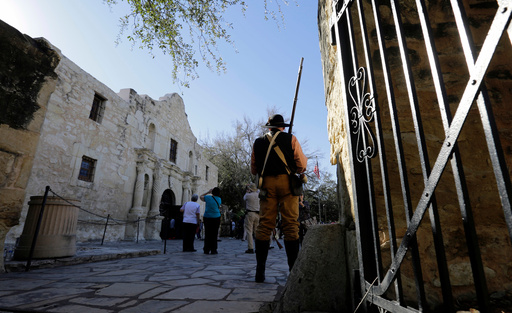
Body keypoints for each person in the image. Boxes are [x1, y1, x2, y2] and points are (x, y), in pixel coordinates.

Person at [251, 114, 307, 282]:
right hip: (287, 184)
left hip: (267, 185)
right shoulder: (291, 139)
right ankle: (293, 271)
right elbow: (302, 165)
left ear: (269, 127)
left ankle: (259, 272)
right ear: (282, 127)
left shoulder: (258, 142)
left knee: (264, 225)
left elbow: (254, 169)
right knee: (291, 224)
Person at [200, 187, 222, 254]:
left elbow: (201, 197)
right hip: (216, 217)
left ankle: (206, 249)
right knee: (214, 234)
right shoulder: (219, 199)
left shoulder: (208, 198)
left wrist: (208, 192)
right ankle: (214, 249)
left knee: (207, 233)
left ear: (212, 192)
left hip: (208, 217)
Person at [243, 183, 260, 254]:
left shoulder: (248, 195)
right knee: (256, 231)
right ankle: (258, 247)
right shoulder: (259, 195)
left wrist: (247, 191)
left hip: (250, 213)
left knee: (249, 231)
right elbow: (258, 191)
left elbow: (244, 198)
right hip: (258, 214)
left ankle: (250, 248)